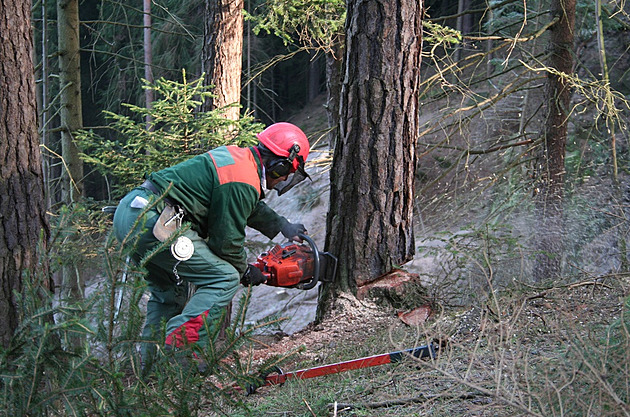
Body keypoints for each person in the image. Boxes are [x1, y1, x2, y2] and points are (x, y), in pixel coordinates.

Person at [112, 122, 310, 368]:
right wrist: (245, 270)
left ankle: (150, 373)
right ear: (278, 164)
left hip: (131, 212)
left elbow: (245, 201)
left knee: (170, 296)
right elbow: (226, 243)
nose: (282, 179)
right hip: (157, 222)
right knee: (224, 277)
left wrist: (281, 224)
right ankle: (183, 358)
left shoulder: (239, 160)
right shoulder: (243, 179)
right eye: (284, 173)